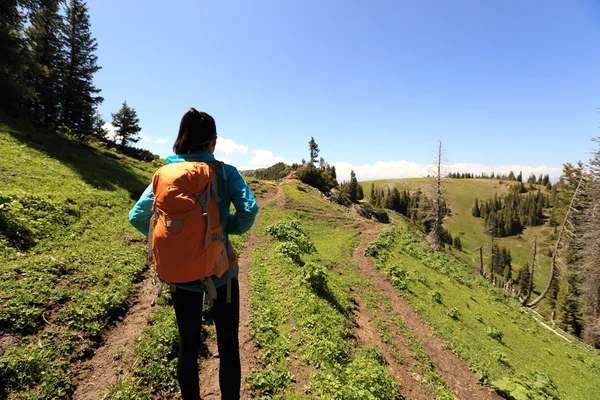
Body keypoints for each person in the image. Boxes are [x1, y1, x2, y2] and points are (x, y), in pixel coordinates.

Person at [128, 108, 258, 400]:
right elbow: (249, 211)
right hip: (221, 272)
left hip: (179, 274)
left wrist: (172, 238)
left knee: (187, 345)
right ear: (213, 142)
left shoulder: (163, 175)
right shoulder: (225, 172)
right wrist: (225, 229)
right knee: (228, 345)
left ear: (181, 139)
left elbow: (137, 216)